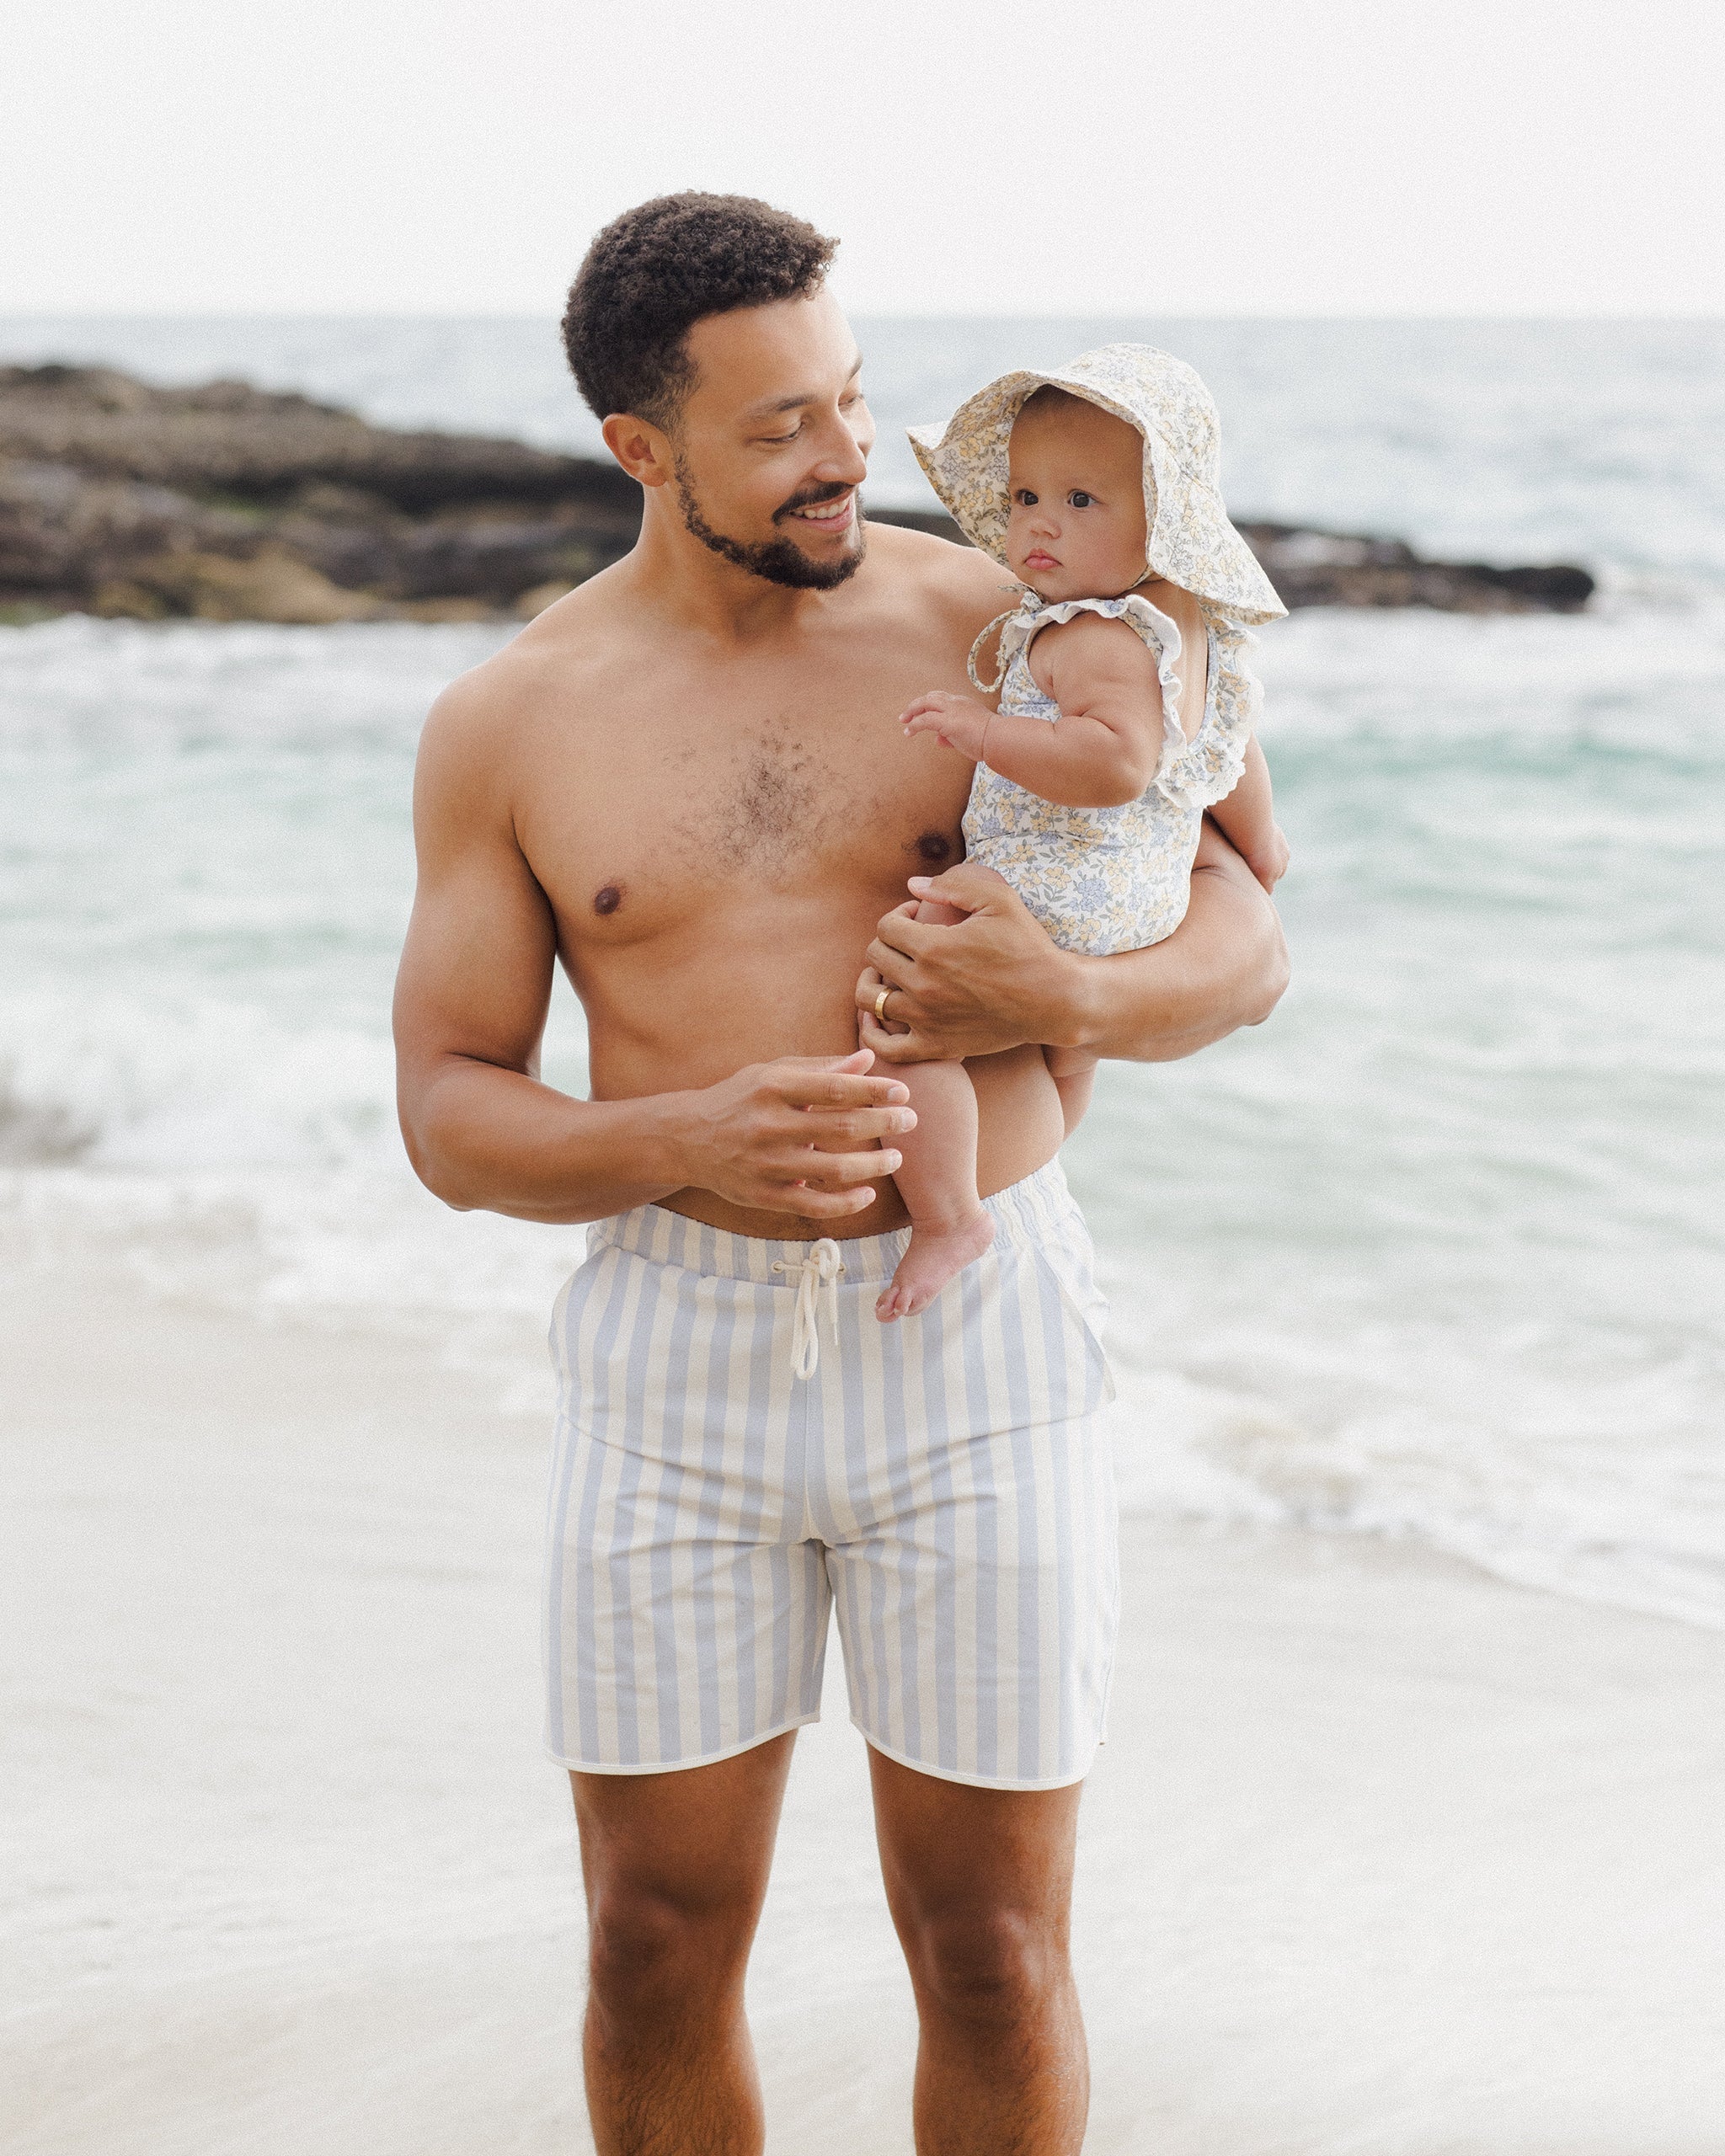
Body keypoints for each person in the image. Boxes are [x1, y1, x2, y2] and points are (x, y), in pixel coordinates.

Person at [393, 191, 1288, 2156]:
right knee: (649, 1935)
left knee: (984, 1943)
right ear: (641, 449)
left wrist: (1064, 991)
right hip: (674, 1362)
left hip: (977, 1343)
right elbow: (453, 1108)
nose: (843, 457)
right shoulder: (509, 719)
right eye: (778, 423)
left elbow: (1246, 924)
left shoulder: (1015, 620)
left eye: (851, 399)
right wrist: (673, 1140)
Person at [873, 350, 1290, 1320]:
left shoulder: (1092, 633)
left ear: (1163, 520)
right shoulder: (1188, 634)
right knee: (1063, 1045)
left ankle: (947, 1215)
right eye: (1022, 496)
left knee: (904, 1010)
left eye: (1080, 501)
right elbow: (1228, 754)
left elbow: (1114, 765)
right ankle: (1053, 1114)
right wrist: (1260, 851)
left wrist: (984, 731)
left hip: (1056, 887)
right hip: (1141, 897)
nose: (1037, 525)